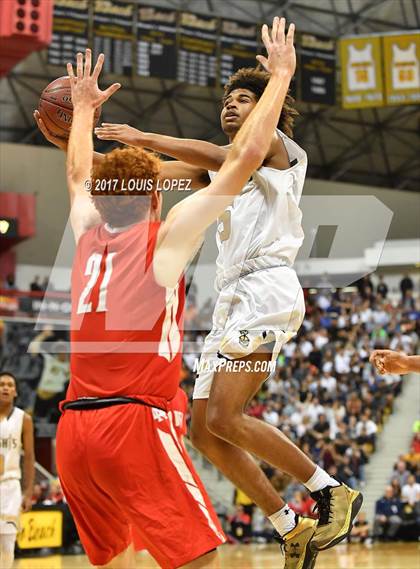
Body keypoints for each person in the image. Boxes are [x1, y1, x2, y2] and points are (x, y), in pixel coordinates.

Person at [38, 18, 306, 567]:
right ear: (152, 196)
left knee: (112, 557)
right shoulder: (166, 239)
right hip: (132, 422)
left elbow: (77, 172)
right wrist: (280, 77)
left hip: (72, 430)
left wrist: (83, 114)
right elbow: (242, 160)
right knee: (198, 555)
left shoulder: (86, 230)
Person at [94, 20, 363, 566]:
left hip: (266, 286)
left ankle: (330, 490)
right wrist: (82, 149)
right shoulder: (215, 172)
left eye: (245, 98)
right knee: (205, 428)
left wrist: (143, 138)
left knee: (226, 412)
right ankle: (287, 524)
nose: (231, 105)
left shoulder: (280, 151)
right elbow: (149, 178)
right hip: (231, 298)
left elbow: (217, 155)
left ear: (267, 108)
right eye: (227, 99)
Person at [0, 371, 35, 569]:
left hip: (10, 486)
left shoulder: (24, 419)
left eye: (10, 385)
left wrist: (28, 491)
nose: (5, 387)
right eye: (2, 384)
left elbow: (29, 457)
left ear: (15, 392)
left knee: (7, 543)